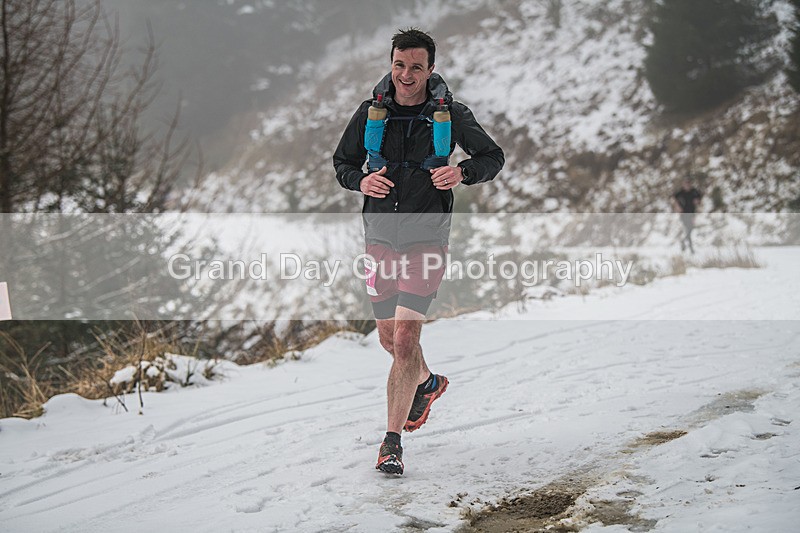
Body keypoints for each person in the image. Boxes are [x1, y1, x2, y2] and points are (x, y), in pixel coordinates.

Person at [333, 28, 504, 475]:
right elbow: (343, 164)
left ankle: (391, 443)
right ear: (391, 64)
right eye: (399, 65)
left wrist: (462, 173)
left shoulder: (450, 114)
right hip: (379, 236)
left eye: (415, 67)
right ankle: (426, 383)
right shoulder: (372, 112)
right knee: (389, 338)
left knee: (406, 338)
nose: (406, 75)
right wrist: (361, 181)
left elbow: (492, 157)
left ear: (430, 69)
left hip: (427, 238)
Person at [672, 179, 702, 254]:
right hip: (684, 214)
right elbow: (674, 199)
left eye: (688, 184)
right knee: (688, 229)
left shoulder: (694, 191)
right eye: (685, 184)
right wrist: (677, 207)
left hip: (692, 214)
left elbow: (699, 198)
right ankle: (691, 248)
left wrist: (697, 202)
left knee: (690, 229)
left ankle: (684, 242)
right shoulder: (680, 193)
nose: (687, 186)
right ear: (683, 185)